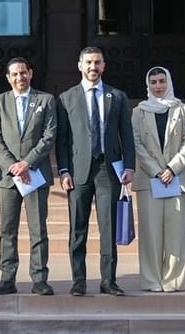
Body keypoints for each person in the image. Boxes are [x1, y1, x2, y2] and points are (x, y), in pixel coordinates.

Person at [56, 46, 135, 297]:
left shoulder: (117, 97)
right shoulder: (66, 98)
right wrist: (64, 170)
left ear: (104, 65)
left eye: (97, 62)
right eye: (88, 62)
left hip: (107, 170)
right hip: (78, 171)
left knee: (107, 227)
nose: (93, 67)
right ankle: (79, 280)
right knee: (78, 228)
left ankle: (108, 280)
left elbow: (127, 135)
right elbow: (63, 140)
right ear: (80, 65)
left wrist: (129, 166)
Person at [0, 57, 57, 296]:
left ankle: (39, 278)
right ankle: (7, 277)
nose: (20, 78)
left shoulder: (46, 100)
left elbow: (49, 136)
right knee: (8, 229)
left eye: (23, 73)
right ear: (8, 78)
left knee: (38, 228)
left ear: (31, 73)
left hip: (36, 173)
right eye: (14, 74)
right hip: (8, 177)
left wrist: (27, 163)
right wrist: (13, 166)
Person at [131, 66, 185, 292]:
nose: (158, 86)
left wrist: (172, 168)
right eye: (153, 82)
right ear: (147, 86)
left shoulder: (183, 110)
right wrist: (157, 171)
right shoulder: (138, 112)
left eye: (161, 81)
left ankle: (173, 280)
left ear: (168, 82)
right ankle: (151, 279)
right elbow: (136, 143)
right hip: (150, 180)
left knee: (176, 232)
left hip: (176, 178)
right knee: (150, 232)